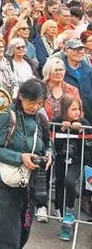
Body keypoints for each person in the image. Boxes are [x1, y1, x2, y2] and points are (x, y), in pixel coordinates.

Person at [0, 79, 53, 249]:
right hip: (6, 186)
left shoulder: (41, 119)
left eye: (40, 103)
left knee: (23, 237)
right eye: (32, 102)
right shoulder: (6, 117)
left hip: (29, 185)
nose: (35, 107)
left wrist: (49, 153)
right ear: (21, 97)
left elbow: (48, 142)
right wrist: (20, 157)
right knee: (9, 240)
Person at [53, 95, 89, 241]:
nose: (77, 112)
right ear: (64, 110)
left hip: (76, 160)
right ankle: (61, 213)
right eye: (73, 109)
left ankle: (69, 213)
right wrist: (61, 129)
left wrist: (81, 131)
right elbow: (52, 142)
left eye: (78, 109)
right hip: (61, 159)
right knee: (60, 182)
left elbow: (87, 147)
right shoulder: (56, 121)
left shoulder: (84, 123)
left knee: (70, 181)